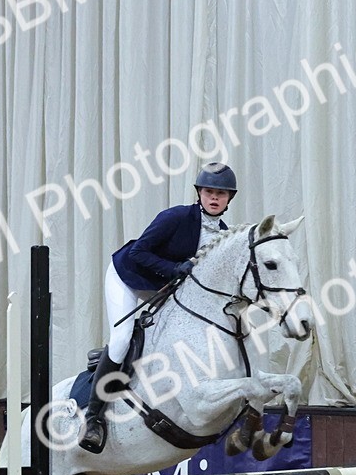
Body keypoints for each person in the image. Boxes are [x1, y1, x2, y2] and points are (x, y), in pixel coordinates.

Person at [78, 162, 238, 453]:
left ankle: (114, 360)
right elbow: (139, 252)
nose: (214, 198)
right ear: (199, 193)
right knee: (122, 337)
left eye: (221, 193)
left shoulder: (223, 235)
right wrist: (174, 268)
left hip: (163, 285)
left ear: (229, 199)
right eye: (209, 191)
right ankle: (94, 418)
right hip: (128, 275)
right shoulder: (176, 217)